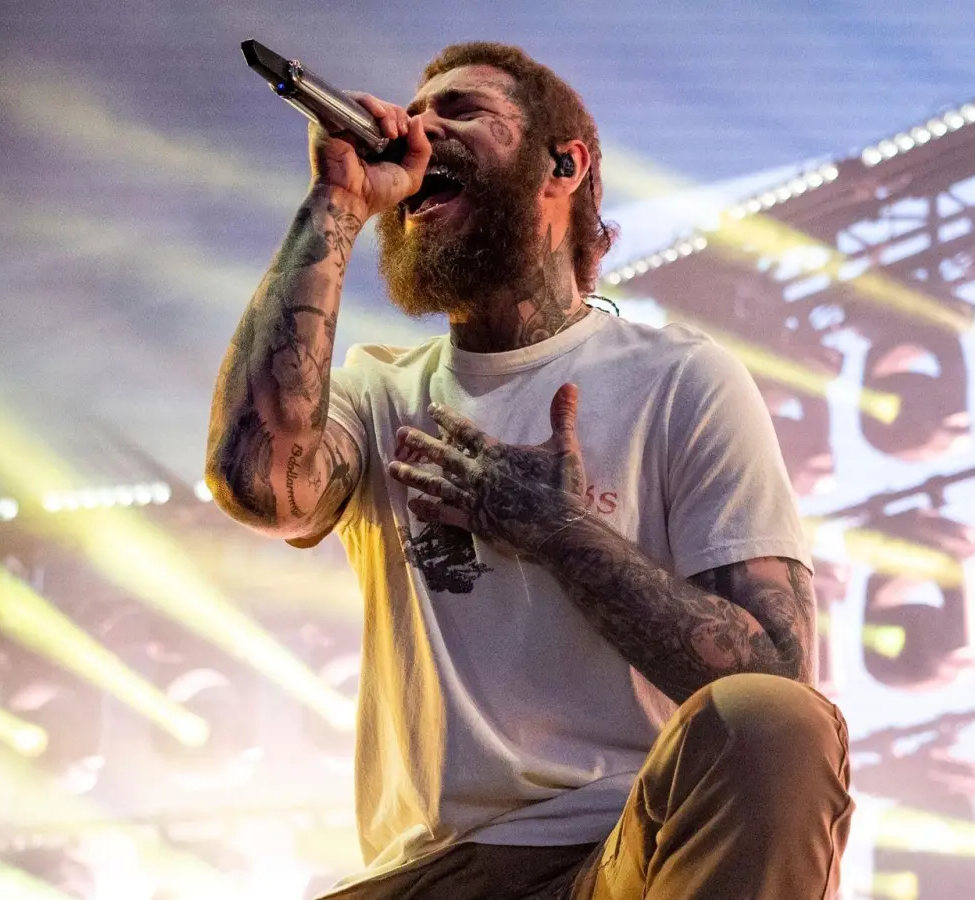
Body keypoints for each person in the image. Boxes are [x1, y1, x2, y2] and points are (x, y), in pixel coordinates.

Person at [205, 41, 852, 899]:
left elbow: (770, 676)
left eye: (461, 111)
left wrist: (558, 531)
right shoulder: (377, 390)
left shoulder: (680, 378)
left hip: (619, 857)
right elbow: (257, 480)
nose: (422, 132)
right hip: (423, 876)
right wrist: (337, 199)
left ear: (564, 162)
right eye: (416, 114)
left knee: (775, 725)